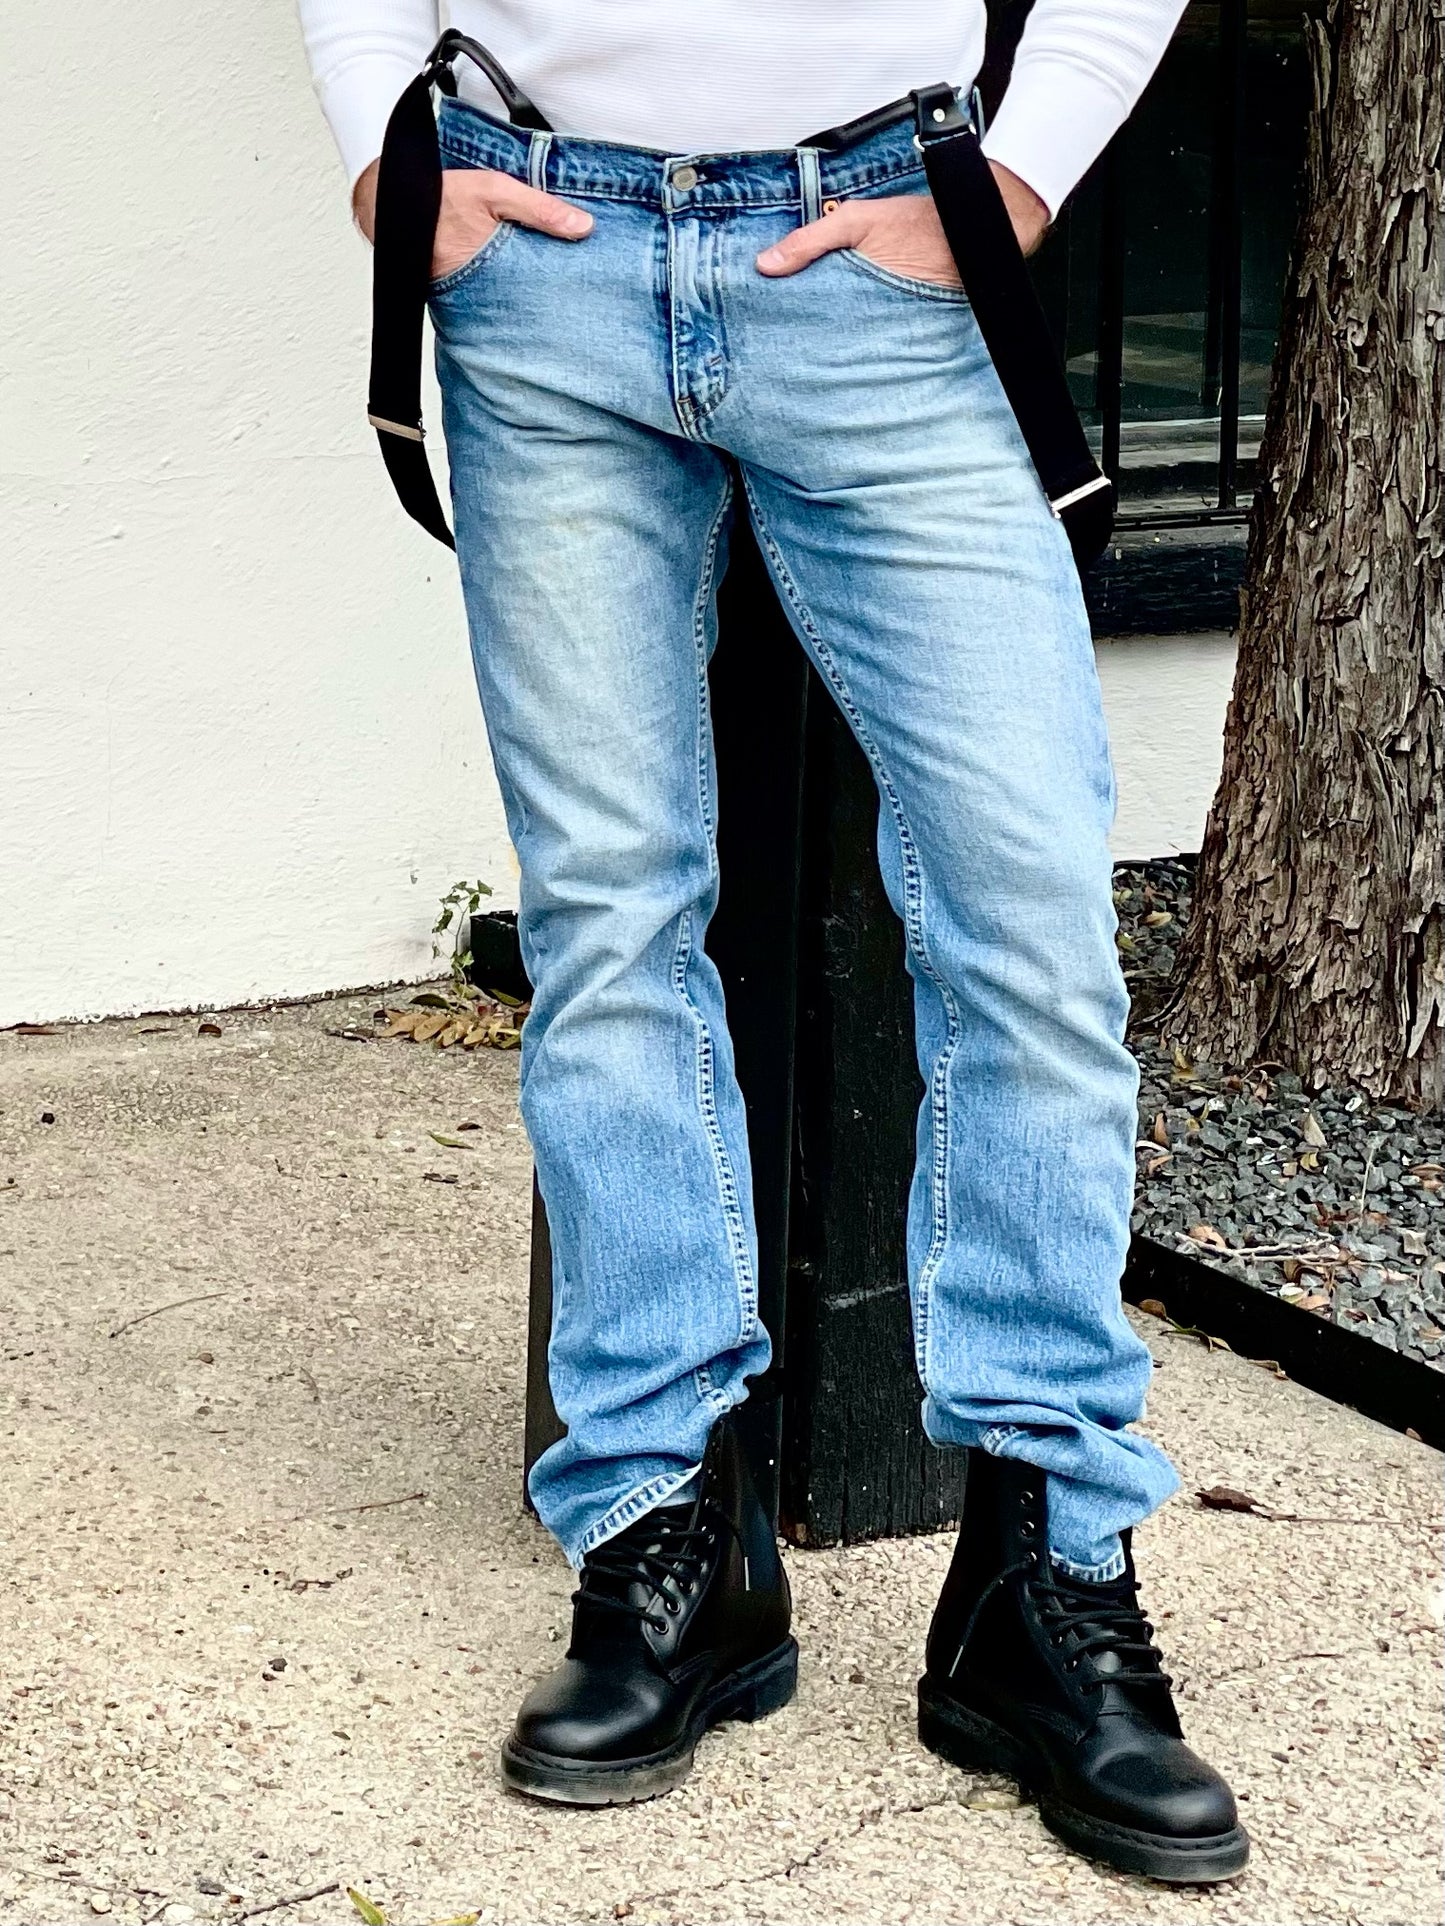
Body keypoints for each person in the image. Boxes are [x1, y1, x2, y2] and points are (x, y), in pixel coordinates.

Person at [297, 0, 1247, 1882]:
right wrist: (380, 146)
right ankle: (669, 1532)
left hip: (886, 252)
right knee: (608, 922)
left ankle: (1042, 1574)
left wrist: (1023, 165)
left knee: (1029, 918)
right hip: (541, 264)